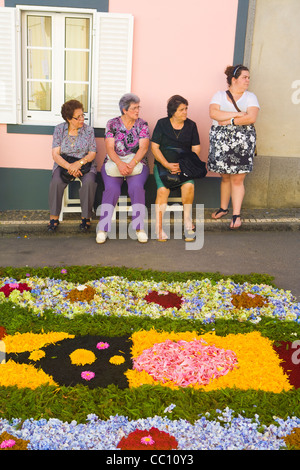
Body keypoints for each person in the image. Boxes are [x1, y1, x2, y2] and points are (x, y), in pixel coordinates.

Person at [207, 65, 260, 229]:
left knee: (237, 179)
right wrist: (237, 114)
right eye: (245, 77)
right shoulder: (219, 95)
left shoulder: (250, 97)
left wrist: (228, 121)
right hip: (221, 142)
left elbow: (251, 118)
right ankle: (223, 208)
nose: (248, 80)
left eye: (248, 77)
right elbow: (214, 114)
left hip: (243, 143)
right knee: (224, 177)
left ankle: (236, 215)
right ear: (233, 79)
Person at [96, 93, 150, 244]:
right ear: (124, 110)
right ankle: (103, 228)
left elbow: (144, 148)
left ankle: (139, 228)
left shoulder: (142, 124)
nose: (138, 111)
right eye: (134, 108)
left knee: (137, 187)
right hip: (115, 162)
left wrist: (131, 164)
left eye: (138, 107)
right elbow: (109, 148)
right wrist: (120, 164)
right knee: (112, 190)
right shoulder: (112, 124)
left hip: (137, 163)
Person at [151, 95, 201, 241]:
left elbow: (196, 149)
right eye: (181, 110)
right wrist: (166, 164)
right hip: (163, 166)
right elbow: (154, 147)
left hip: (184, 167)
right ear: (173, 111)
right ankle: (158, 228)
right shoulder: (162, 124)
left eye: (186, 109)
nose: (185, 112)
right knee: (162, 191)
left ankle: (187, 223)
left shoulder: (191, 125)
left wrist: (183, 165)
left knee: (188, 188)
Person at [47, 99, 97, 232]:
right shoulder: (59, 129)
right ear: (69, 119)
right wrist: (70, 167)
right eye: (78, 117)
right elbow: (55, 154)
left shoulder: (89, 131)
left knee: (89, 183)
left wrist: (78, 164)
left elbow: (92, 153)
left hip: (85, 163)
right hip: (64, 163)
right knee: (56, 182)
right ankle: (54, 217)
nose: (82, 119)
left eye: (82, 115)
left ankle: (86, 217)